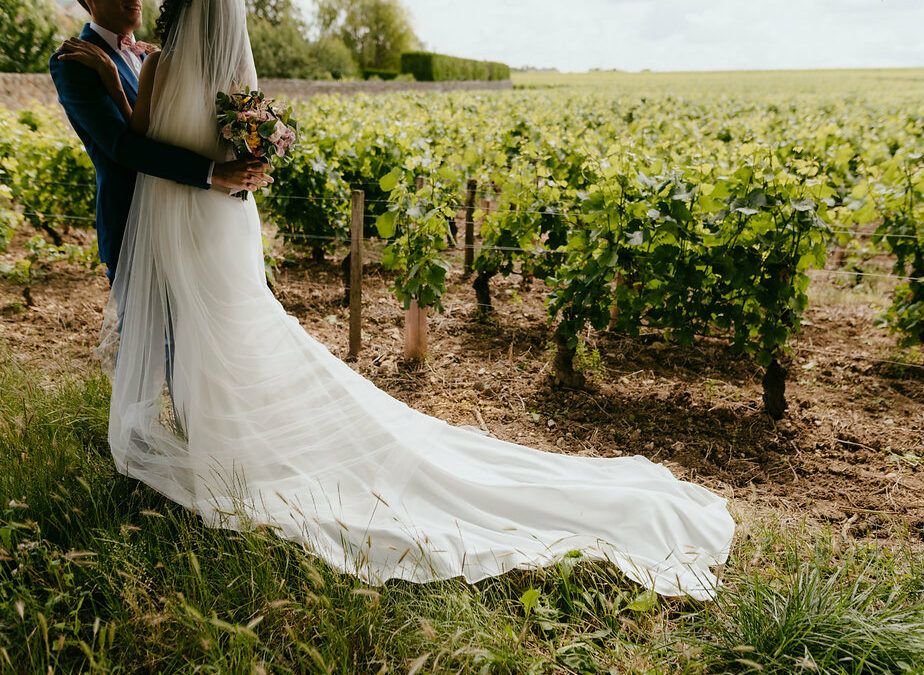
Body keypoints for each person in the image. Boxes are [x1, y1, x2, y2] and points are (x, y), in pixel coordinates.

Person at [75, 0, 735, 600]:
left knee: (201, 334)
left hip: (184, 222)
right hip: (223, 219)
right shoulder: (235, 79)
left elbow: (132, 146)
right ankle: (236, 444)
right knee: (237, 327)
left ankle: (223, 450)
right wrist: (247, 166)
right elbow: (256, 144)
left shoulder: (156, 66)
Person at [50, 0, 274, 286]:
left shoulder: (159, 58)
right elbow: (123, 147)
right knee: (150, 331)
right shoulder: (74, 61)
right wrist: (214, 171)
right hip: (134, 225)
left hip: (204, 226)